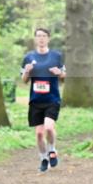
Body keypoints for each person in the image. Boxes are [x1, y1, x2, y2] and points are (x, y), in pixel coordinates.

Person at [21, 28, 67, 173]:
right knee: (39, 134)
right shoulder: (28, 57)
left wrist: (59, 73)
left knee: (48, 127)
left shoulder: (56, 56)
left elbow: (64, 76)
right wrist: (27, 71)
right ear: (35, 39)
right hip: (36, 100)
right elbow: (24, 80)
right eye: (38, 36)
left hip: (52, 98)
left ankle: (52, 149)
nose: (41, 38)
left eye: (44, 36)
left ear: (48, 38)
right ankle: (43, 158)